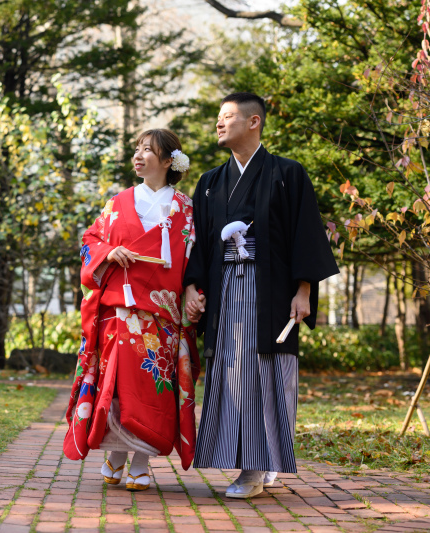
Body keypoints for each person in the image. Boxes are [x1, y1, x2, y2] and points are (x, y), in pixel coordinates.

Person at [183, 92, 339, 498]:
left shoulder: (287, 174)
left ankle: (255, 469)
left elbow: (305, 234)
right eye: (218, 117)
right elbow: (197, 245)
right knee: (232, 375)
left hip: (270, 292)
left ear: (254, 122)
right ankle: (254, 464)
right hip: (226, 291)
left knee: (266, 375)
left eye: (228, 116)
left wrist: (304, 289)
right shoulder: (210, 183)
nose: (219, 123)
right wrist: (190, 288)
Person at [63, 129, 201, 492]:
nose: (138, 156)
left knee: (154, 389)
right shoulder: (118, 202)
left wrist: (192, 290)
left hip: (162, 315)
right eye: (137, 150)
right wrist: (108, 251)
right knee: (118, 388)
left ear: (169, 161)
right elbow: (90, 240)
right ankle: (118, 455)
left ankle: (139, 460)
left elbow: (196, 260)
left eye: (148, 151)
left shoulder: (185, 209)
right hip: (119, 311)